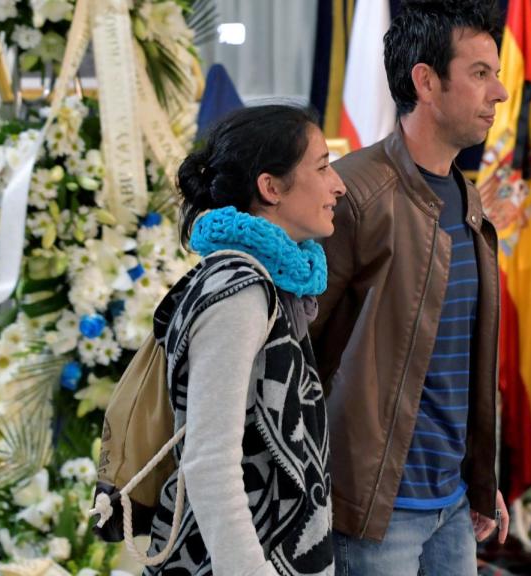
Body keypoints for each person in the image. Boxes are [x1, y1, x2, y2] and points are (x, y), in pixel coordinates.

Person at [309, 0, 510, 573]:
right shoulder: (350, 194)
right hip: (375, 515)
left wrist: (480, 476)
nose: (498, 93)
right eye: (479, 74)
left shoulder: (466, 196)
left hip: (452, 509)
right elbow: (298, 352)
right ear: (426, 81)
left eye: (495, 75)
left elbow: (458, 359)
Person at [143, 104, 345, 575]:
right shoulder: (239, 293)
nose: (338, 185)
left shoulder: (267, 284)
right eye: (322, 167)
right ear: (270, 188)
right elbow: (209, 465)